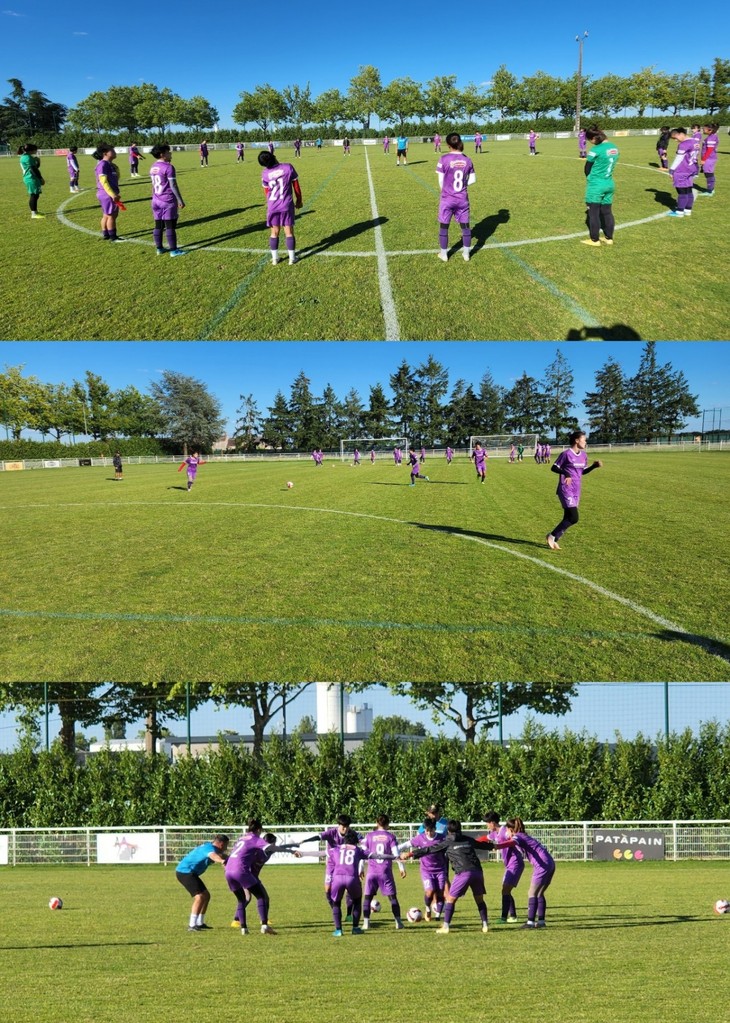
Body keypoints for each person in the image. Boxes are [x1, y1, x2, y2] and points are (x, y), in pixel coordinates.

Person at [401, 819, 493, 934]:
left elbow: (429, 849)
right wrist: (496, 845)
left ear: (448, 831)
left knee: (450, 899)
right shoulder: (468, 839)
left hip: (463, 872)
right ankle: (485, 925)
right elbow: (482, 845)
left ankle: (446, 926)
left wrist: (410, 854)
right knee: (479, 900)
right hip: (477, 872)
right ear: (460, 829)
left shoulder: (447, 841)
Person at [225, 820, 301, 935]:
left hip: (229, 871)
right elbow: (272, 848)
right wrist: (291, 851)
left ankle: (243, 929)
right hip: (242, 871)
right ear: (259, 830)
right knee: (261, 897)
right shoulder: (256, 839)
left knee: (241, 899)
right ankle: (264, 925)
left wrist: (292, 846)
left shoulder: (241, 838)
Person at [488, 817, 555, 929]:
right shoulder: (524, 835)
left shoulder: (518, 836)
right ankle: (541, 922)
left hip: (541, 865)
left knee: (531, 893)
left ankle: (530, 923)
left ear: (510, 829)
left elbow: (512, 842)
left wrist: (497, 846)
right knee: (539, 893)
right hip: (550, 863)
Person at [546, 429, 602, 550]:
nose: (585, 442)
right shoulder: (566, 454)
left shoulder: (583, 456)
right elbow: (554, 468)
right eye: (584, 440)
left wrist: (593, 466)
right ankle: (552, 536)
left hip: (576, 489)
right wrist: (566, 473)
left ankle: (555, 538)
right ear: (577, 440)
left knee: (568, 517)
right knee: (574, 517)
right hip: (566, 488)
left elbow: (583, 472)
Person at [361, 814, 407, 930]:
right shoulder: (390, 836)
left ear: (377, 823)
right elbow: (396, 855)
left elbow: (363, 853)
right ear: (388, 824)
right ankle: (398, 922)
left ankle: (366, 923)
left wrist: (360, 868)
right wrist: (402, 868)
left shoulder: (369, 836)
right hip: (385, 871)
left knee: (367, 898)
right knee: (392, 898)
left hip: (372, 871)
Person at [258, 149, 302, 266]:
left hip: (272, 206)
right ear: (273, 156)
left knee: (274, 232)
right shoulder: (288, 167)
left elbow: (266, 192)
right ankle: (292, 259)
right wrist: (299, 200)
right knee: (289, 231)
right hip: (286, 205)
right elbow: (296, 186)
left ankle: (275, 259)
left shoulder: (265, 173)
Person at [436, 132, 476, 262]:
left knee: (444, 226)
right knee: (465, 227)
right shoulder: (467, 159)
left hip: (447, 198)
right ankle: (466, 254)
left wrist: (449, 189)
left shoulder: (443, 159)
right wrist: (462, 186)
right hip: (462, 199)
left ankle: (444, 254)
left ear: (448, 144)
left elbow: (441, 182)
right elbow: (473, 179)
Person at [176, 834, 229, 931]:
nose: (226, 848)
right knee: (199, 897)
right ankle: (192, 925)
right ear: (221, 844)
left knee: (206, 895)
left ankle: (200, 923)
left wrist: (231, 859)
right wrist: (221, 861)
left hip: (191, 873)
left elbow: (223, 855)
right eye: (226, 846)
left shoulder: (213, 848)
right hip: (185, 872)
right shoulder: (208, 849)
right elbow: (213, 855)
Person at [398, 819, 447, 921]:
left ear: (435, 828)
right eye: (426, 830)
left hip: (440, 870)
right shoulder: (420, 838)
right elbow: (406, 845)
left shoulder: (442, 838)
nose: (428, 832)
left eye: (431, 830)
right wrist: (397, 851)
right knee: (429, 892)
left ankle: (438, 916)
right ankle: (428, 909)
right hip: (426, 870)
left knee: (440, 892)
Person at [483, 812, 524, 923]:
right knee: (506, 890)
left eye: (487, 823)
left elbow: (513, 839)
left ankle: (504, 918)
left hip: (515, 863)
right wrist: (471, 842)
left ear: (492, 822)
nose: (487, 825)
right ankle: (513, 916)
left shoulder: (505, 830)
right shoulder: (494, 833)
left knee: (505, 889)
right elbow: (484, 838)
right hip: (509, 864)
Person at [582, 128, 619, 246]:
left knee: (593, 212)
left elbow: (587, 167)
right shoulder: (614, 147)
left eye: (590, 140)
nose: (590, 142)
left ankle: (595, 240)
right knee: (607, 212)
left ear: (594, 138)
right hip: (609, 182)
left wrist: (589, 178)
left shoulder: (596, 150)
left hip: (596, 184)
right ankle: (609, 238)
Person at [149, 143, 186, 257]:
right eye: (168, 152)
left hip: (155, 200)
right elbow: (173, 185)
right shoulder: (168, 167)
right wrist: (180, 200)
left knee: (158, 225)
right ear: (162, 154)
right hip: (167, 200)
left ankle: (159, 248)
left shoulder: (153, 167)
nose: (170, 153)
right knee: (170, 226)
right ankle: (174, 251)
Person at [93, 142, 123, 241]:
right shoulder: (103, 164)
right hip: (107, 194)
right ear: (105, 153)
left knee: (106, 214)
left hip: (107, 193)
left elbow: (115, 177)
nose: (115, 152)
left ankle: (106, 234)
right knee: (112, 215)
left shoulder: (109, 165)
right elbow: (103, 181)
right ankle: (113, 237)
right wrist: (113, 194)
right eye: (112, 150)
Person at [667, 127, 699, 218]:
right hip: (691, 168)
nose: (675, 141)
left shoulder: (683, 144)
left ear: (681, 134)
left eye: (675, 138)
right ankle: (688, 210)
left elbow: (679, 158)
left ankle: (679, 212)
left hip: (682, 170)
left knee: (682, 192)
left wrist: (672, 170)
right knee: (688, 190)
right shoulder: (695, 141)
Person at [19, 143, 45, 219]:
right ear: (32, 150)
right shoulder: (28, 158)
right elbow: (33, 169)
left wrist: (38, 162)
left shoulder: (26, 156)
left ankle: (35, 212)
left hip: (30, 177)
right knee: (34, 195)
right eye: (36, 149)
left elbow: (35, 167)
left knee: (35, 195)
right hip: (31, 178)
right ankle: (33, 213)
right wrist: (40, 178)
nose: (36, 151)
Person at [698, 122, 719, 196]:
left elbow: (709, 150)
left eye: (704, 129)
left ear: (710, 130)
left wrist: (704, 159)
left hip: (709, 159)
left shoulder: (711, 137)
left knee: (709, 174)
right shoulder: (711, 136)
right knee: (708, 173)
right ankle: (711, 189)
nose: (703, 130)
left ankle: (710, 191)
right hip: (709, 159)